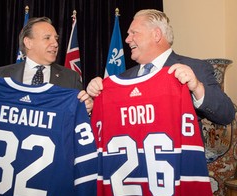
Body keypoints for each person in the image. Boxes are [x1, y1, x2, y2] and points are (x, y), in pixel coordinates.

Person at [87, 9, 235, 130]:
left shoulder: (195, 69)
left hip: (179, 164)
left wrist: (197, 88)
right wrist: (95, 104)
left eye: (134, 33)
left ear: (156, 34)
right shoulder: (123, 78)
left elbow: (226, 115)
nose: (127, 39)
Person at [0, 16, 93, 114]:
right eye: (47, 38)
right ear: (28, 42)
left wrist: (87, 108)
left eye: (56, 38)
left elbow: (78, 119)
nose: (55, 43)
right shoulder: (1, 74)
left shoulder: (71, 78)